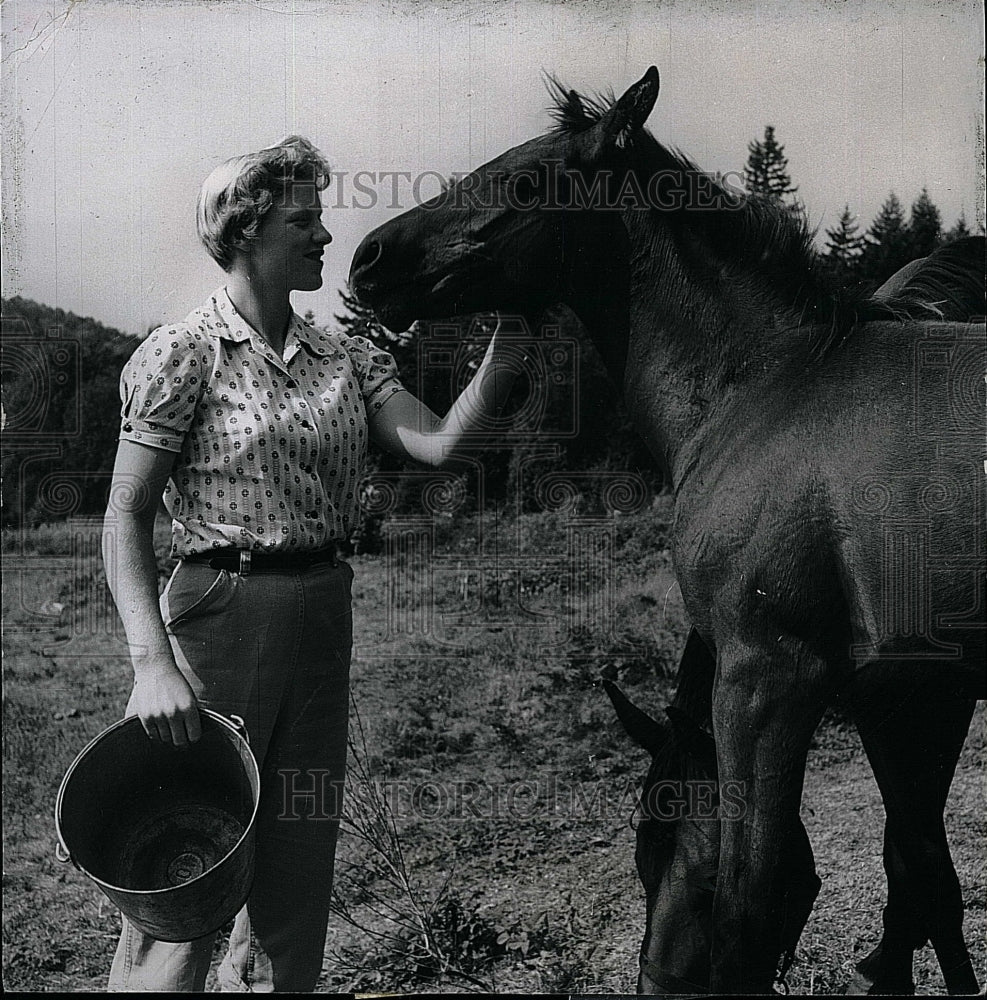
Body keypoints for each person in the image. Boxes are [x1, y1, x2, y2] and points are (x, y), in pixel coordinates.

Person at [102, 135, 517, 992]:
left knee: (295, 876)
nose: (326, 237)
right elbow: (126, 515)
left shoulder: (346, 355)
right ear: (246, 230)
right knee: (187, 871)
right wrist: (152, 660)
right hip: (219, 613)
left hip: (324, 609)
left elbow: (439, 444)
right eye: (305, 220)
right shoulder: (184, 354)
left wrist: (506, 353)